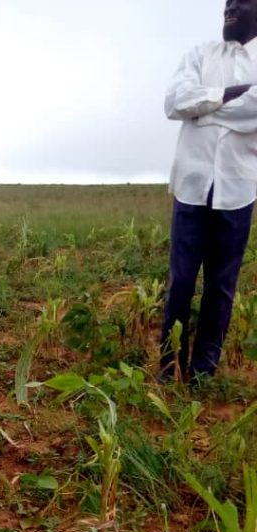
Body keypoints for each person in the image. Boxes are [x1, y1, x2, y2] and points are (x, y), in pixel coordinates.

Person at [159, 0, 257, 382]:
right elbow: (174, 102)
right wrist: (231, 95)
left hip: (238, 186)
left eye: (242, 2)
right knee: (181, 280)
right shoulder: (199, 53)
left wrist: (203, 107)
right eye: (227, 3)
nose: (230, 8)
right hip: (191, 185)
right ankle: (168, 368)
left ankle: (203, 373)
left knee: (221, 285)